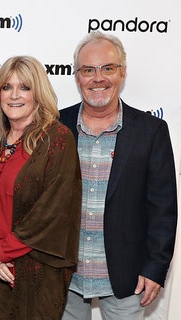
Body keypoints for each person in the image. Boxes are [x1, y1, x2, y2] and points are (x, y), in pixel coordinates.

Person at [60, 31, 178, 320]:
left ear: (122, 73)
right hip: (64, 278)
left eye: (108, 68)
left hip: (127, 279)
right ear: (77, 77)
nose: (98, 78)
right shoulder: (55, 125)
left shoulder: (151, 132)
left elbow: (163, 210)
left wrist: (155, 268)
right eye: (88, 70)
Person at [0, 56, 82, 319]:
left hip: (35, 273)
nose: (14, 95)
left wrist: (0, 252)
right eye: (7, 87)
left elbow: (52, 211)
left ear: (38, 94)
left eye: (25, 87)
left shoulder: (57, 139)